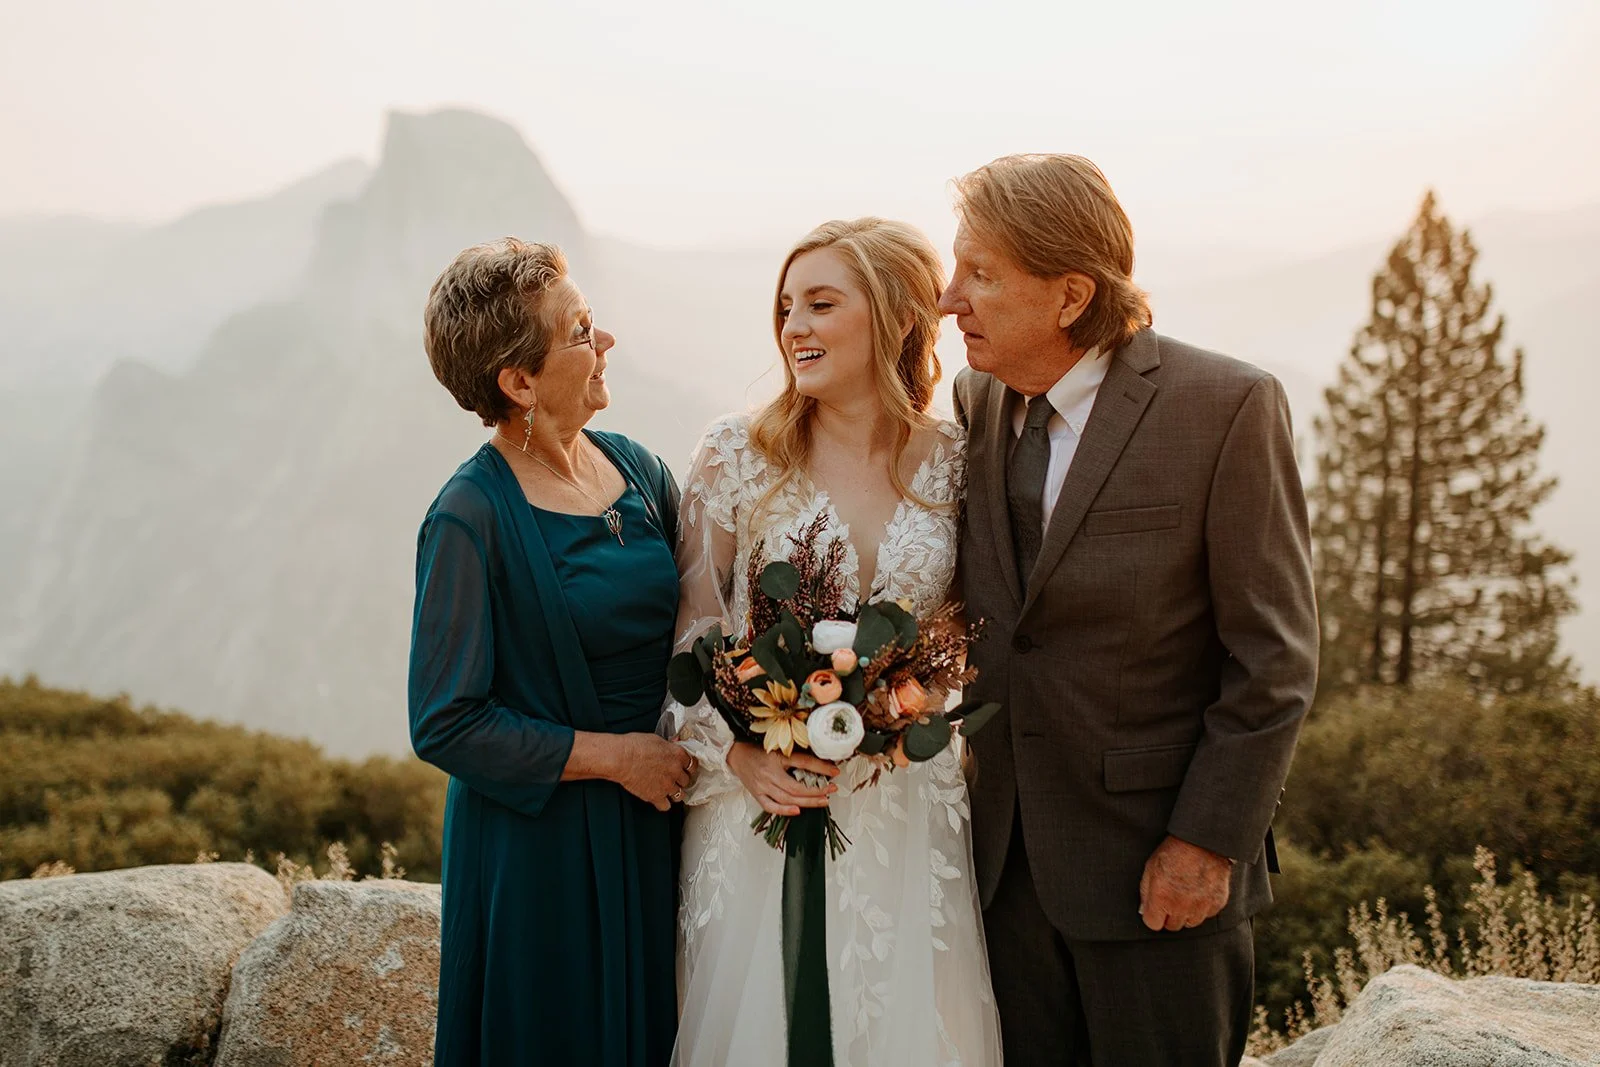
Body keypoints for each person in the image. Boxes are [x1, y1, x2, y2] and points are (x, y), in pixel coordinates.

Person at [943, 154, 1320, 1066]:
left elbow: (1274, 658)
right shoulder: (975, 399)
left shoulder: (1226, 407)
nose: (950, 299)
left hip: (1159, 878)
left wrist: (1204, 843)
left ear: (1070, 295)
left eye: (980, 273)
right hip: (999, 878)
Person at [667, 218, 1003, 1065]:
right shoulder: (737, 453)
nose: (794, 328)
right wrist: (739, 757)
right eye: (786, 307)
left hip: (904, 808)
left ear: (896, 318)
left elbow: (965, 635)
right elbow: (692, 639)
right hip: (760, 807)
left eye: (821, 304)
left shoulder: (959, 461)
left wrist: (902, 711)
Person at [408, 238, 695, 1066]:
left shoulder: (638, 468)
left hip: (657, 822)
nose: (605, 342)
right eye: (579, 331)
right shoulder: (468, 516)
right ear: (520, 382)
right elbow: (446, 722)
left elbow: (704, 626)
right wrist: (618, 759)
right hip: (542, 858)